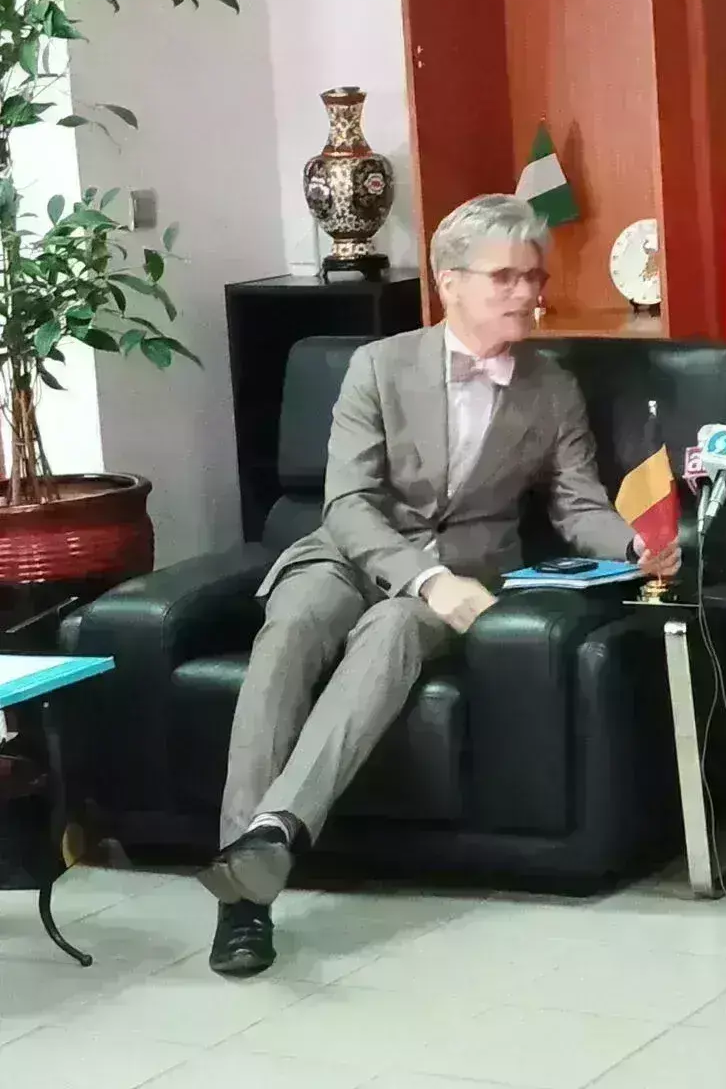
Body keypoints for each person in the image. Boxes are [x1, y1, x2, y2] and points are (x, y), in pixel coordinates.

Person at [206, 194, 682, 976]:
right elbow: (348, 504)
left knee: (395, 630)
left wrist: (635, 542)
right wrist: (421, 577)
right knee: (292, 629)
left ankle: (266, 848)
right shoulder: (378, 366)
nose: (526, 293)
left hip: (467, 573)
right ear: (449, 281)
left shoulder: (551, 387)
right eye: (505, 277)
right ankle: (242, 895)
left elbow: (576, 503)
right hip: (347, 554)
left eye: (534, 277)